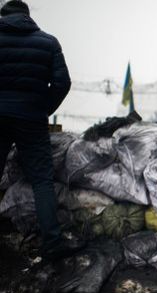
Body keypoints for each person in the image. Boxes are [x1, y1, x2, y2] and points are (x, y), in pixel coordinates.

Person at [0, 0, 84, 260]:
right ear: (28, 16)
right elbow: (62, 82)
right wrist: (41, 108)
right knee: (42, 180)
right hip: (31, 118)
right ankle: (52, 242)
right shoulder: (48, 42)